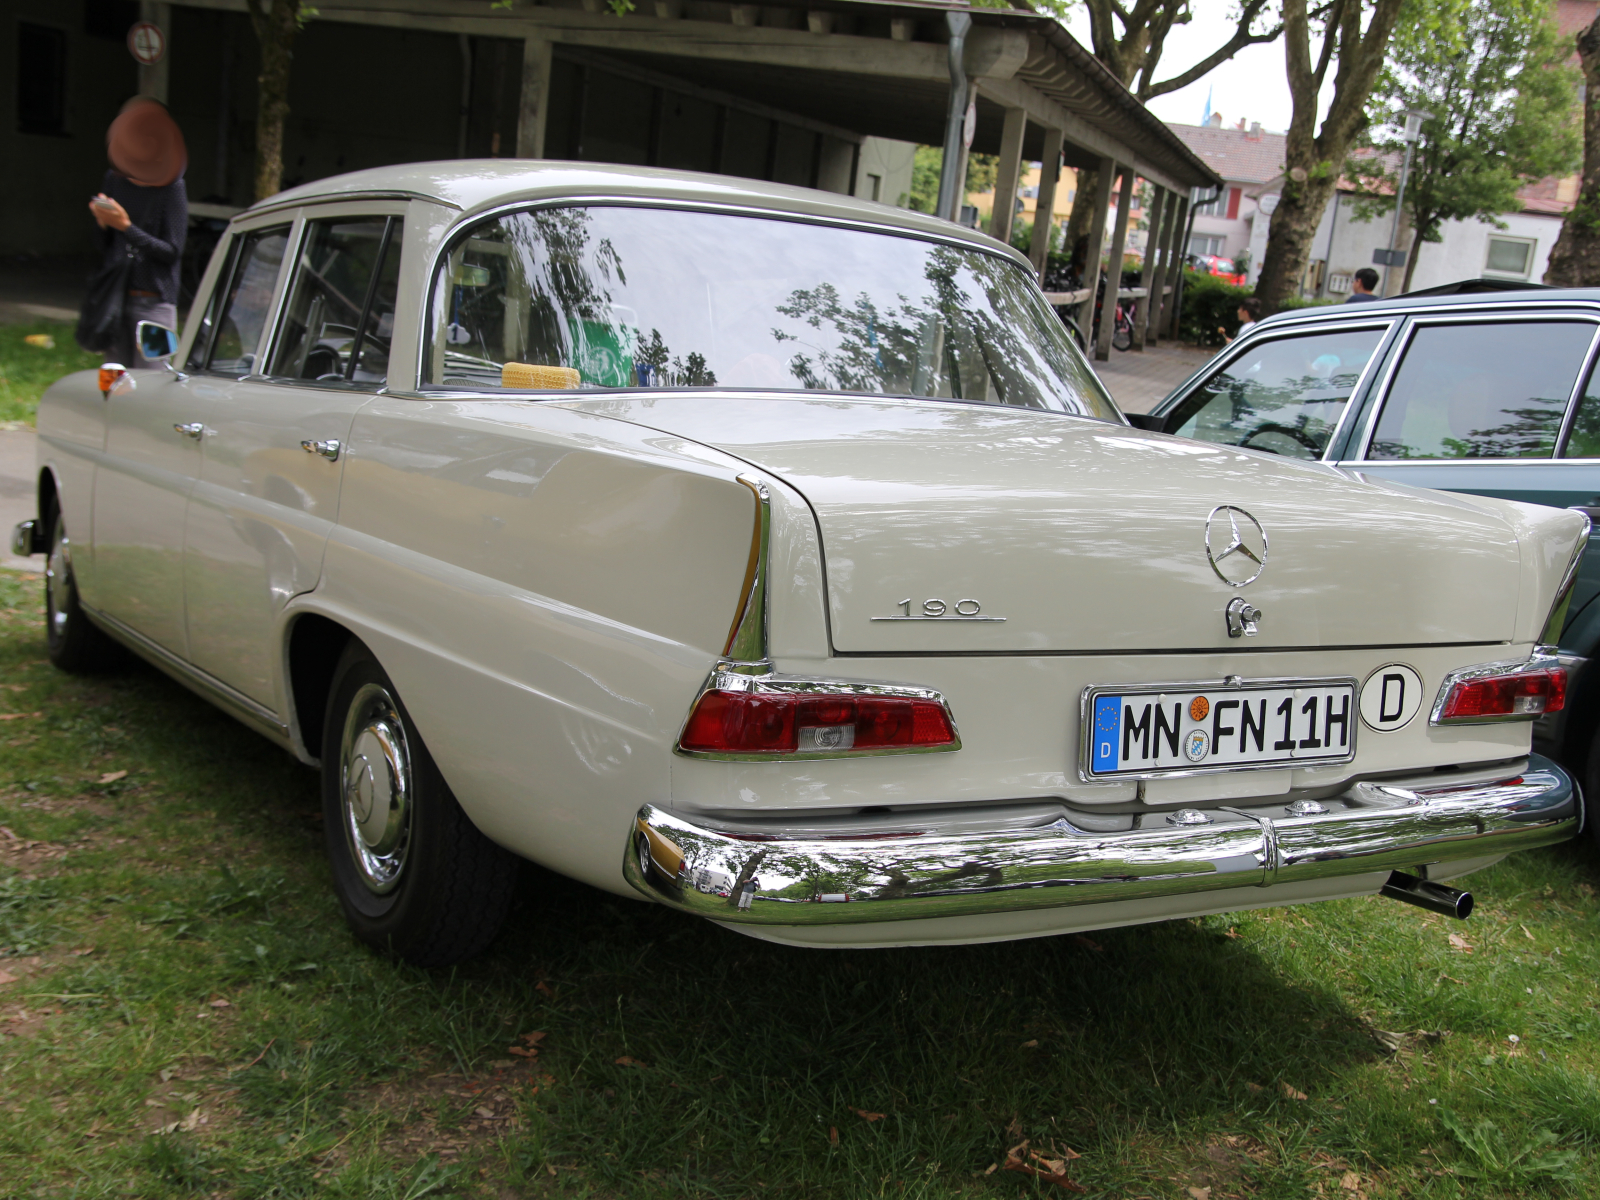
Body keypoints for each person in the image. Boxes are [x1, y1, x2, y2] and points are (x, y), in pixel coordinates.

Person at [82, 97, 188, 366]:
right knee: (114, 383)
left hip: (154, 304)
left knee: (152, 389)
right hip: (116, 300)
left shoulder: (171, 186)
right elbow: (103, 246)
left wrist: (126, 227)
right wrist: (103, 223)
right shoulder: (114, 179)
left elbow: (172, 251)